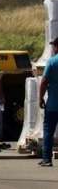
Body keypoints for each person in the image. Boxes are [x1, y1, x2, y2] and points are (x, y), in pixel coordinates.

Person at [38, 37, 58, 167]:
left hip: (53, 105)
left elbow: (44, 82)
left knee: (48, 131)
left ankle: (47, 159)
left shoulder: (52, 62)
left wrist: (40, 98)